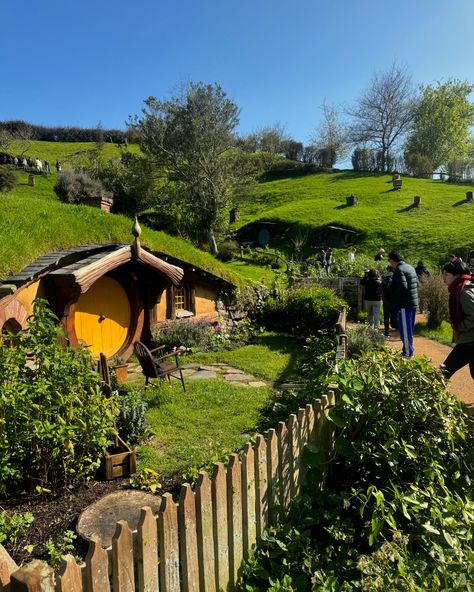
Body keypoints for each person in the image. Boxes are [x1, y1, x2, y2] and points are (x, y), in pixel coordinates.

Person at [440, 259, 474, 380]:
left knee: (444, 371)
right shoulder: (460, 289)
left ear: (457, 276)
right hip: (469, 340)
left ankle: (431, 397)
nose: (444, 278)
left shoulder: (463, 292)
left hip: (470, 342)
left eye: (446, 275)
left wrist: (460, 326)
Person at [388, 251, 419, 358]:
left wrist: (394, 298)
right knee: (409, 329)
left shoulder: (399, 270)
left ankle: (407, 353)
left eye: (389, 260)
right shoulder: (410, 267)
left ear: (392, 260)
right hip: (413, 302)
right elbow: (417, 284)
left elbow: (402, 287)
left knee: (404, 330)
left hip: (404, 304)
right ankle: (408, 349)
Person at [380, 265, 397, 337]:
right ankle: (396, 329)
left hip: (386, 300)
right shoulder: (395, 277)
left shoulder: (384, 278)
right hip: (394, 300)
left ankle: (386, 332)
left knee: (386, 316)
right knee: (395, 315)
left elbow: (379, 291)